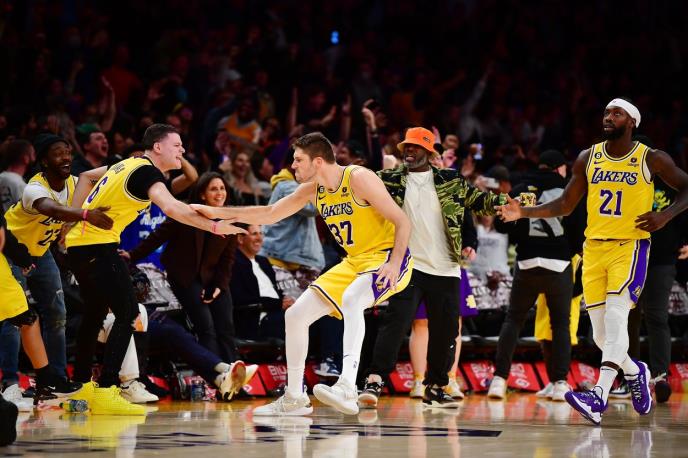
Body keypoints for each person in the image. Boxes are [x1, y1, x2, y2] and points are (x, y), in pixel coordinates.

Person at [192, 132, 413, 416]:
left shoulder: (358, 177)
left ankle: (347, 386)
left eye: (298, 160)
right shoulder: (313, 189)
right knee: (296, 315)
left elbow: (402, 221)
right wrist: (219, 213)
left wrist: (394, 264)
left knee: (352, 298)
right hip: (354, 262)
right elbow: (270, 213)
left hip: (388, 257)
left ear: (318, 161)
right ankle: (294, 397)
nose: (292, 165)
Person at [496, 98, 688, 425]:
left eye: (617, 113)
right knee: (600, 335)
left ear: (632, 122)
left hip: (629, 247)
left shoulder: (651, 158)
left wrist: (666, 215)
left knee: (616, 317)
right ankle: (634, 371)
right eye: (607, 112)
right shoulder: (588, 157)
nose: (609, 117)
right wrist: (523, 212)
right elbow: (566, 204)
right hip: (594, 249)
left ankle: (598, 395)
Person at [66, 124, 245, 415]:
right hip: (98, 246)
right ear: (158, 147)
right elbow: (173, 209)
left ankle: (82, 386)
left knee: (95, 315)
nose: (183, 150)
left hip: (78, 246)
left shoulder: (127, 164)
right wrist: (214, 226)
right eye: (177, 145)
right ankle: (108, 389)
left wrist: (73, 220)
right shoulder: (147, 172)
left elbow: (85, 176)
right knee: (128, 313)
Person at [357, 127, 504, 409]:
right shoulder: (390, 179)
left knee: (446, 333)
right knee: (394, 325)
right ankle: (374, 380)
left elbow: (480, 202)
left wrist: (509, 203)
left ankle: (436, 386)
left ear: (428, 152)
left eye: (415, 147)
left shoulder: (451, 180)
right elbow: (358, 185)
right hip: (408, 266)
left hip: (446, 268)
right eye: (406, 147)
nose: (409, 151)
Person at [4, 134, 113, 382]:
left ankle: (57, 377)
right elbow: (52, 209)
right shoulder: (34, 188)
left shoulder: (75, 184)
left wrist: (128, 165)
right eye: (58, 153)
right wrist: (85, 215)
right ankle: (9, 380)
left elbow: (106, 178)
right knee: (14, 317)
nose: (66, 158)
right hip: (10, 253)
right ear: (44, 161)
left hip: (41, 253)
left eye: (68, 152)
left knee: (57, 313)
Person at [124, 172, 245, 381]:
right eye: (213, 189)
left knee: (226, 327)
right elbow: (157, 237)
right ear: (202, 194)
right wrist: (132, 255)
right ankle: (216, 379)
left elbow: (228, 258)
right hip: (185, 276)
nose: (219, 193)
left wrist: (219, 285)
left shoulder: (230, 217)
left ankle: (235, 380)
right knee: (206, 327)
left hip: (214, 278)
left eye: (222, 188)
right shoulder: (186, 213)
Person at [488, 149, 585, 402]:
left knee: (513, 320)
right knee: (560, 324)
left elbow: (500, 225)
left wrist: (521, 236)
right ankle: (560, 383)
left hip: (527, 263)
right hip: (559, 265)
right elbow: (579, 232)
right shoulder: (568, 190)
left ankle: (499, 380)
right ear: (560, 169)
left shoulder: (521, 189)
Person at [0, 213, 82, 410]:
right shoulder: (33, 196)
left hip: (22, 252)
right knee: (19, 319)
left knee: (26, 318)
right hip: (14, 250)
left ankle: (46, 382)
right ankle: (11, 383)